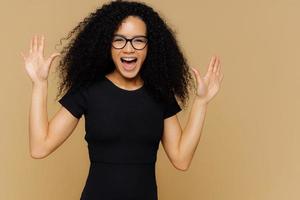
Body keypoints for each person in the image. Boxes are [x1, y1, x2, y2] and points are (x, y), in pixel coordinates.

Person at [20, 0, 224, 199]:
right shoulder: (88, 90)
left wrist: (201, 102)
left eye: (138, 40)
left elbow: (181, 159)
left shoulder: (160, 94)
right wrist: (39, 85)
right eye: (119, 39)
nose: (129, 49)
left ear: (149, 46)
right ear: (107, 45)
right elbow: (39, 147)